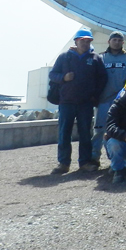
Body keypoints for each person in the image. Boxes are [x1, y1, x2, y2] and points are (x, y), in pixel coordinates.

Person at [48, 28, 107, 174]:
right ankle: (63, 163)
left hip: (85, 103)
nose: (85, 43)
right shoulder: (64, 57)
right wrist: (63, 78)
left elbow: (102, 78)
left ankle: (84, 162)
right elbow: (52, 74)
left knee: (85, 133)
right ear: (76, 41)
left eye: (88, 41)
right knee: (64, 133)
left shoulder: (95, 59)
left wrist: (95, 95)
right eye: (83, 41)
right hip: (67, 102)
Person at [93, 31, 126, 164]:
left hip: (122, 103)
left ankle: (120, 160)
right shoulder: (101, 58)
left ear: (123, 42)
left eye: (119, 40)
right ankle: (94, 158)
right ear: (109, 41)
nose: (116, 42)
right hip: (103, 101)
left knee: (121, 131)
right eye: (114, 40)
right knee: (99, 130)